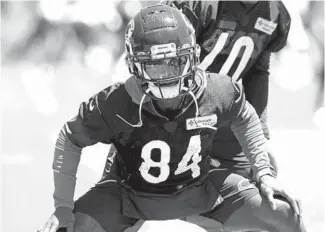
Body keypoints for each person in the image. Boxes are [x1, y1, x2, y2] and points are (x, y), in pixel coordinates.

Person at [38, 5, 305, 232]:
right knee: (65, 227)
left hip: (202, 178)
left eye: (174, 63)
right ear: (134, 66)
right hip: (131, 190)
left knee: (283, 211)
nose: (166, 75)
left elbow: (246, 108)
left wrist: (264, 170)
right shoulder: (117, 102)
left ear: (194, 55)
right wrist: (62, 206)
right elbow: (70, 137)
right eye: (155, 65)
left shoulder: (219, 90)